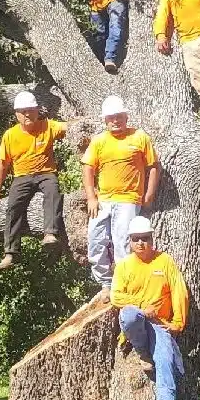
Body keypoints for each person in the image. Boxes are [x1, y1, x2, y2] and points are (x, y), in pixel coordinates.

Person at [111, 216, 189, 400]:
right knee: (129, 314)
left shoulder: (164, 261)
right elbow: (116, 296)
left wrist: (178, 322)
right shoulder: (125, 265)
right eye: (136, 239)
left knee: (165, 363)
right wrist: (143, 308)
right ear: (130, 241)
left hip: (160, 326)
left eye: (145, 239)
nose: (141, 244)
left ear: (151, 239)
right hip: (136, 324)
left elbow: (179, 291)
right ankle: (141, 351)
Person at [81, 96, 159, 301]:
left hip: (128, 199)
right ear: (105, 120)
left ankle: (123, 286)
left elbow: (153, 167)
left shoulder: (139, 137)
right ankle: (105, 284)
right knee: (95, 241)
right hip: (103, 200)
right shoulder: (99, 140)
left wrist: (150, 192)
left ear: (126, 117)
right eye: (111, 117)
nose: (115, 120)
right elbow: (88, 168)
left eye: (119, 117)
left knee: (123, 244)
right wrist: (91, 196)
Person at [0, 91, 67, 270]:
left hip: (46, 173)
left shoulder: (48, 126)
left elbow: (70, 128)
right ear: (17, 114)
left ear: (37, 111)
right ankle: (11, 252)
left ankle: (50, 234)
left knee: (53, 192)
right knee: (13, 207)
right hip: (22, 176)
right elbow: (2, 164)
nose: (27, 114)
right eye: (22, 111)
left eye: (30, 110)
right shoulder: (10, 135)